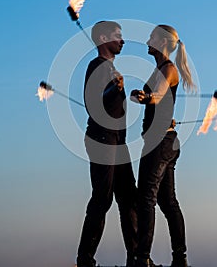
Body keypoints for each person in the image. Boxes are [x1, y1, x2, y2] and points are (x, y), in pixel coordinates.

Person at [130, 24, 195, 267]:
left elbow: (157, 95)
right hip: (166, 141)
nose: (147, 40)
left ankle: (142, 258)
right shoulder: (159, 69)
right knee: (168, 202)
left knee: (147, 198)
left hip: (159, 144)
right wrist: (140, 96)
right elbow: (153, 98)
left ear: (161, 42)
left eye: (151, 37)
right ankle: (180, 259)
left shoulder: (167, 69)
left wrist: (148, 97)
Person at [76, 21, 138, 267]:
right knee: (102, 198)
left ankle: (137, 257)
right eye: (118, 36)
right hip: (102, 139)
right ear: (103, 38)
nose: (122, 40)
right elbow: (92, 103)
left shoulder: (109, 68)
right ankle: (85, 258)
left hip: (117, 141)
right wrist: (114, 89)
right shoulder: (97, 66)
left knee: (128, 198)